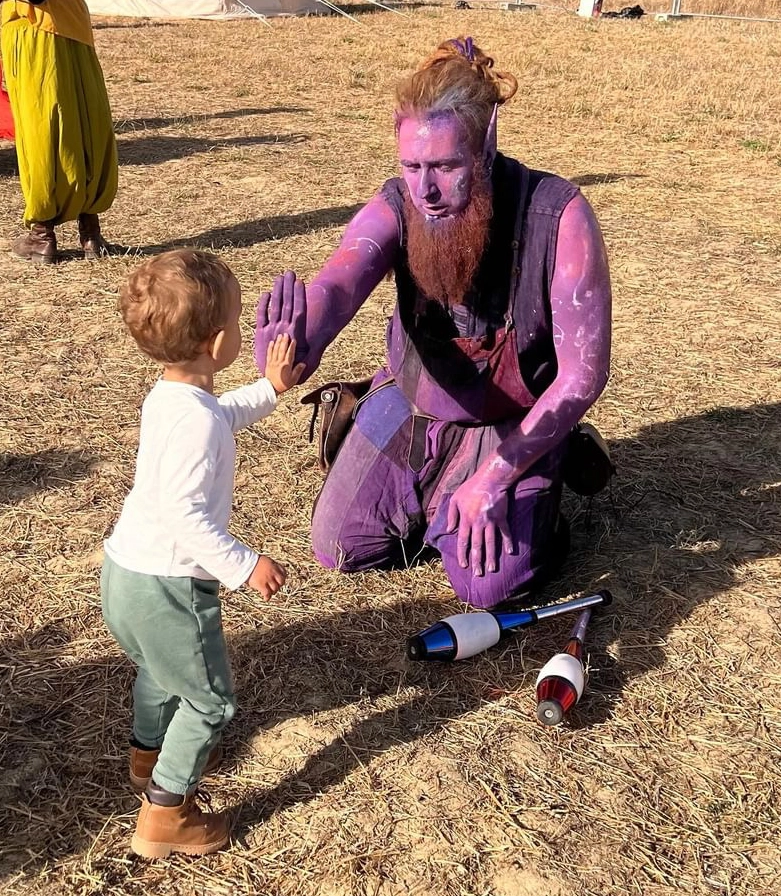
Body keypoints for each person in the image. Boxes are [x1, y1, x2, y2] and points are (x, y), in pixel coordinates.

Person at [254, 37, 612, 610]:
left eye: (446, 166)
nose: (426, 189)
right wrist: (301, 339)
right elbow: (342, 279)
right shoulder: (398, 205)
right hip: (418, 401)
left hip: (511, 424)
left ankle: (540, 483)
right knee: (340, 548)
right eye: (412, 166)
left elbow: (581, 376)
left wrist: (495, 478)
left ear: (485, 144)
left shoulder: (559, 215)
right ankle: (437, 491)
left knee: (488, 588)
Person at [102, 249, 304, 858]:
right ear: (217, 342)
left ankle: (147, 757)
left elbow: (220, 414)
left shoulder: (171, 398)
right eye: (241, 323)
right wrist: (245, 564)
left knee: (159, 675)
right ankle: (165, 813)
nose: (244, 333)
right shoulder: (195, 421)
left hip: (125, 574)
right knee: (211, 699)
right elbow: (184, 516)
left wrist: (270, 388)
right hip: (169, 587)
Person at [1, 0, 118, 263]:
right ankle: (91, 233)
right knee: (86, 124)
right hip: (75, 25)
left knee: (43, 128)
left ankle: (42, 235)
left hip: (35, 28)